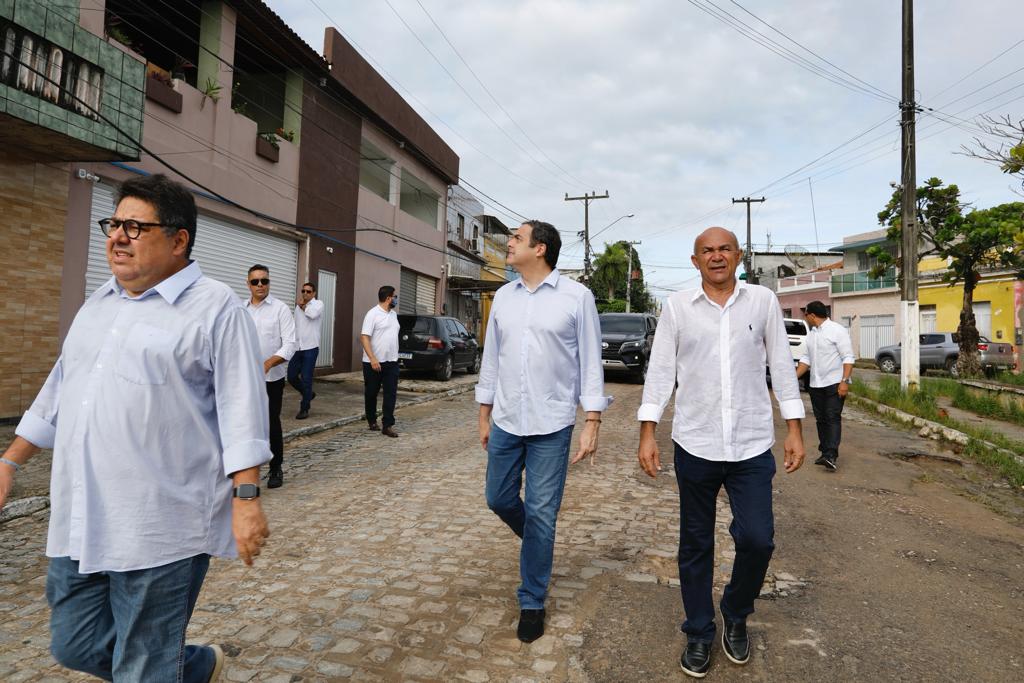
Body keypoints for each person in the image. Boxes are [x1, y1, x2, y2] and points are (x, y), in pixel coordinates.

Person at [0, 173, 271, 682]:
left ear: (178, 239)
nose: (116, 237)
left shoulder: (216, 308)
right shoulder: (97, 305)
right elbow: (58, 390)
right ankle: (192, 667)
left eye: (133, 227)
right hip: (81, 516)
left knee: (143, 665)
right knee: (74, 644)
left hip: (162, 525)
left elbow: (243, 410)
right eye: (113, 224)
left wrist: (247, 498)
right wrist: (9, 461)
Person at [637, 226, 805, 678]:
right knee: (695, 543)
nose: (716, 257)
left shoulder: (763, 302)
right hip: (696, 441)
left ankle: (735, 609)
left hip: (751, 444)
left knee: (757, 539)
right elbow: (661, 373)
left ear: (739, 256)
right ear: (695, 262)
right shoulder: (676, 308)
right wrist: (647, 431)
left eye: (724, 249)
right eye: (707, 251)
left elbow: (782, 367)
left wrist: (794, 427)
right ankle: (698, 630)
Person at [477, 220, 610, 643]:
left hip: (552, 423)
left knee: (540, 510)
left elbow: (591, 363)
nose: (509, 243)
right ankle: (539, 541)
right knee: (498, 498)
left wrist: (592, 422)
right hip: (506, 419)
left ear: (540, 249)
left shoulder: (576, 297)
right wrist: (484, 413)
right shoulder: (502, 296)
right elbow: (492, 359)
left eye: (516, 238)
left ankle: (532, 599)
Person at [245, 265, 297, 489]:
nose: (260, 285)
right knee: (245, 426)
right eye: (255, 281)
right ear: (248, 284)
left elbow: (291, 344)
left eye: (264, 281)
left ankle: (276, 467)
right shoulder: (240, 309)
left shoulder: (280, 309)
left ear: (269, 283)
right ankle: (248, 473)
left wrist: (267, 363)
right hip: (244, 378)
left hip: (271, 379)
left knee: (270, 423)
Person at [796, 300, 855, 471]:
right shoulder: (812, 334)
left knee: (832, 417)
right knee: (821, 419)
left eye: (805, 315)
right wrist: (793, 378)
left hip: (834, 383)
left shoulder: (837, 331)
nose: (805, 318)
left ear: (812, 315)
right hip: (815, 384)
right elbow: (806, 360)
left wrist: (844, 382)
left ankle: (831, 455)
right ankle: (824, 452)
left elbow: (848, 358)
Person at [360, 286, 400, 438]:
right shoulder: (372, 314)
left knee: (390, 394)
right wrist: (372, 358)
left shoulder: (393, 315)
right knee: (371, 393)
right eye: (394, 297)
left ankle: (387, 425)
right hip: (373, 363)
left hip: (391, 362)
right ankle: (371, 420)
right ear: (389, 298)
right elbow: (364, 337)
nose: (396, 299)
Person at [288, 281, 324, 420]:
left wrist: (302, 305)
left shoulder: (318, 304)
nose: (305, 293)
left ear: (313, 293)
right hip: (298, 347)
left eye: (308, 291)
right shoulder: (298, 307)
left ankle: (304, 409)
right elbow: (295, 325)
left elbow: (312, 315)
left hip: (311, 347)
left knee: (306, 378)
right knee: (291, 376)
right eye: (303, 291)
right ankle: (308, 394)